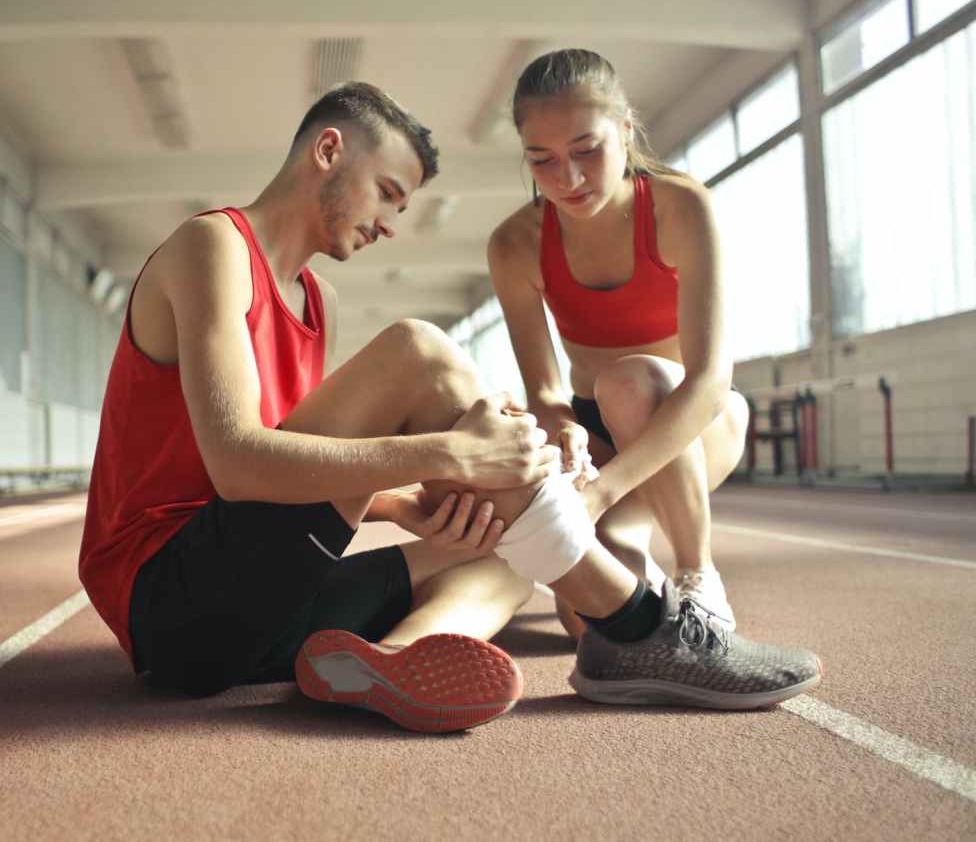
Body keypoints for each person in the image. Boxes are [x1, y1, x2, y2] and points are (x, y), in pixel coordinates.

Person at [79, 82, 820, 734]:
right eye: (389, 193)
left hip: (251, 622)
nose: (391, 224)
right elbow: (239, 467)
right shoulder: (213, 247)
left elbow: (292, 478)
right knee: (417, 350)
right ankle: (637, 624)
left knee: (505, 546)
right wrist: (448, 456)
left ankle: (392, 661)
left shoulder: (319, 301)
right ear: (329, 151)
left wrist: (406, 505)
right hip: (172, 604)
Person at [488, 49, 750, 634]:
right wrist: (565, 433)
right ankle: (633, 542)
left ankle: (697, 574)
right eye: (542, 160)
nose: (569, 179)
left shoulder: (682, 208)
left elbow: (710, 382)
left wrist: (602, 494)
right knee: (588, 623)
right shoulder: (515, 244)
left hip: (695, 421)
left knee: (631, 380)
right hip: (598, 436)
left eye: (587, 151)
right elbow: (546, 390)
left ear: (626, 131)